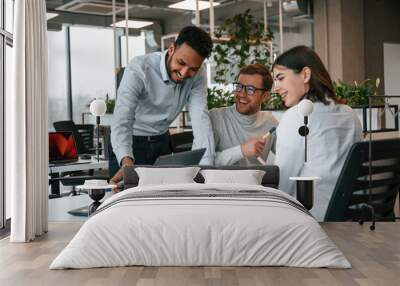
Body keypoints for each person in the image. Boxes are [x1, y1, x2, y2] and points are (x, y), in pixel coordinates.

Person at [110, 26, 215, 188]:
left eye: (193, 69)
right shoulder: (139, 68)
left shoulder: (198, 75)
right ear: (171, 49)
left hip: (162, 143)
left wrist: (206, 169)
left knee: (164, 200)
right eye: (181, 63)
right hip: (131, 143)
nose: (184, 72)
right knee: (125, 202)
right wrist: (126, 160)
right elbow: (122, 118)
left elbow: (201, 118)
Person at [272, 45, 363, 221]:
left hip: (314, 220)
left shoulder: (296, 116)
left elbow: (283, 183)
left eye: (280, 78)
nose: (276, 88)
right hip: (351, 217)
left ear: (305, 75)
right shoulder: (350, 113)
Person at [209, 64, 278, 166]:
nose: (241, 94)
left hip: (256, 181)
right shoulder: (216, 118)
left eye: (250, 89)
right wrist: (242, 150)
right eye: (239, 87)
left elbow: (289, 157)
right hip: (221, 181)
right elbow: (205, 161)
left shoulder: (271, 123)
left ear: (265, 96)